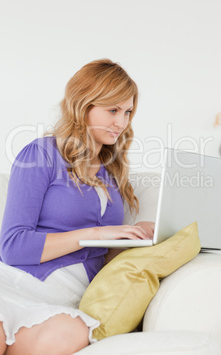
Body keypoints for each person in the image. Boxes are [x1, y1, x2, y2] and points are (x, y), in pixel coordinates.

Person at [0, 59, 154, 355]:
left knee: (69, 334)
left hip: (63, 299)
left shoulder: (112, 174)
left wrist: (138, 237)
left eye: (127, 112)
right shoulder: (41, 154)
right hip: (19, 282)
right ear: (83, 106)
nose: (121, 123)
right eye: (112, 110)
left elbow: (101, 256)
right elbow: (12, 245)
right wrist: (95, 233)